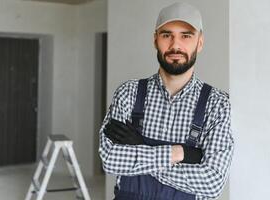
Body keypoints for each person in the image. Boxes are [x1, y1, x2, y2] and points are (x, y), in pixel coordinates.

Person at [99, 2, 234, 200]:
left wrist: (141, 148)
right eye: (166, 35)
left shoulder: (217, 104)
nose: (175, 45)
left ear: (200, 42)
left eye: (186, 36)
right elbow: (110, 160)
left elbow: (211, 182)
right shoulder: (128, 93)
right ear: (155, 40)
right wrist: (179, 153)